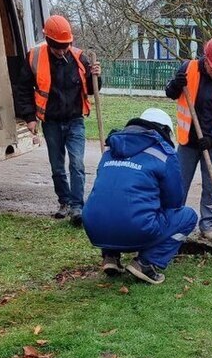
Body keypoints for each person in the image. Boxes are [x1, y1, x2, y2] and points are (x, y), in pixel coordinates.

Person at [81, 108, 196, 285]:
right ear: (165, 131)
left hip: (94, 227)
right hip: (135, 229)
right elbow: (174, 202)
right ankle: (145, 263)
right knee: (188, 216)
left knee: (112, 202)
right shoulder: (164, 154)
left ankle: (110, 256)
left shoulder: (111, 148)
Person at [15, 14, 101, 225]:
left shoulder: (80, 58)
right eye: (57, 47)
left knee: (77, 164)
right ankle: (64, 201)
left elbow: (92, 89)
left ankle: (77, 207)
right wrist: (29, 117)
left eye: (65, 46)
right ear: (49, 41)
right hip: (51, 122)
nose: (62, 51)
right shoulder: (34, 57)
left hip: (75, 121)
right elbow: (23, 89)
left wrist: (96, 76)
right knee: (57, 166)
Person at [164, 36, 212, 241]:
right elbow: (170, 93)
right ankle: (174, 222)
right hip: (188, 142)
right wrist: (175, 84)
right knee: (178, 184)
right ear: (206, 60)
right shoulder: (188, 69)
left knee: (211, 187)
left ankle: (207, 224)